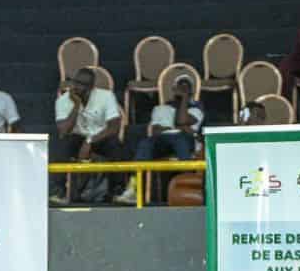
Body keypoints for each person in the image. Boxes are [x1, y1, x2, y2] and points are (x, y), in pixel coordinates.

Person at [115, 74, 203, 205]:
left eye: (186, 88)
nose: (182, 90)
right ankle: (134, 188)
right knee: (145, 143)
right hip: (163, 140)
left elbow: (181, 120)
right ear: (174, 90)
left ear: (191, 92)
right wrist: (182, 127)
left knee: (180, 140)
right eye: (180, 87)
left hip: (185, 140)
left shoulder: (196, 109)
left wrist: (184, 99)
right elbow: (156, 130)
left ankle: (190, 188)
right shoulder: (160, 108)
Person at [50, 68, 125, 205]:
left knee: (115, 145)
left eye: (82, 84)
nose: (76, 87)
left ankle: (117, 191)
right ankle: (58, 191)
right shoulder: (62, 101)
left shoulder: (106, 96)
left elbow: (114, 127)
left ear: (91, 87)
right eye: (75, 82)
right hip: (77, 137)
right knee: (62, 145)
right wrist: (76, 106)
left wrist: (90, 141)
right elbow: (64, 131)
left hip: (100, 137)